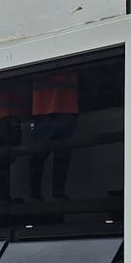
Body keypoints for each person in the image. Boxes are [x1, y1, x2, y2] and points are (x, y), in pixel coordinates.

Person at [28, 68, 80, 201]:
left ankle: (48, 193)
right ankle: (40, 194)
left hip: (60, 108)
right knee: (41, 156)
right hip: (52, 109)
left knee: (59, 156)